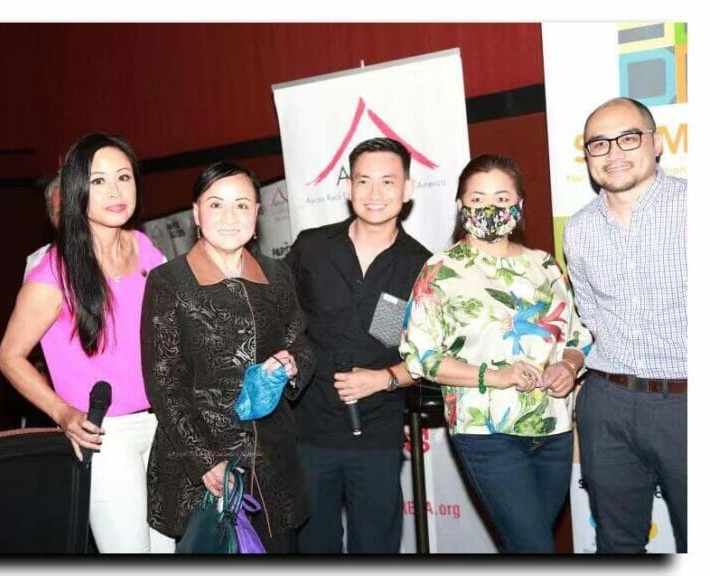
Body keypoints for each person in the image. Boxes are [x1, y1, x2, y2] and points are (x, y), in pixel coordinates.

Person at [399, 154, 593, 553]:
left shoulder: (544, 265)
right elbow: (421, 356)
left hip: (554, 428)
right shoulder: (440, 270)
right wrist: (496, 375)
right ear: (461, 206)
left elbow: (579, 335)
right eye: (478, 199)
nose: (490, 209)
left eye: (502, 198)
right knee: (535, 547)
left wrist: (568, 365)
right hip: (486, 432)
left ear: (519, 205)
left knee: (526, 544)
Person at [0, 133, 174, 553]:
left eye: (124, 177)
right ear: (78, 189)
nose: (115, 191)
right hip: (106, 435)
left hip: (162, 425)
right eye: (99, 181)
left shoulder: (144, 247)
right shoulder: (53, 272)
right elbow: (9, 356)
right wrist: (62, 413)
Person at [140, 161, 315, 554]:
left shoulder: (276, 274)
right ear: (196, 213)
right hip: (202, 466)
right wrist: (206, 461)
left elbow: (301, 342)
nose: (230, 217)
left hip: (273, 461)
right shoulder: (169, 281)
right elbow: (164, 383)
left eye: (242, 205)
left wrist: (292, 365)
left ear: (257, 213)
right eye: (216, 204)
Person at [286, 137, 431, 554]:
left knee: (376, 548)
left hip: (377, 435)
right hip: (309, 431)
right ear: (348, 187)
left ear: (407, 189)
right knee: (313, 546)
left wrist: (383, 378)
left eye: (388, 181)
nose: (375, 193)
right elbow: (279, 321)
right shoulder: (311, 248)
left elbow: (434, 356)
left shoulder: (422, 265)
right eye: (364, 181)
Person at [564, 97, 687, 553]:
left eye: (628, 138)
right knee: (616, 545)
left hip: (688, 404)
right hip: (607, 404)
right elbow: (591, 316)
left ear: (656, 143)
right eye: (599, 143)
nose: (613, 152)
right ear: (587, 155)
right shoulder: (578, 229)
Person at [23, 174, 60, 280]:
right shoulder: (37, 262)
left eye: (74, 210)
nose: (70, 219)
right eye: (61, 213)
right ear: (52, 219)